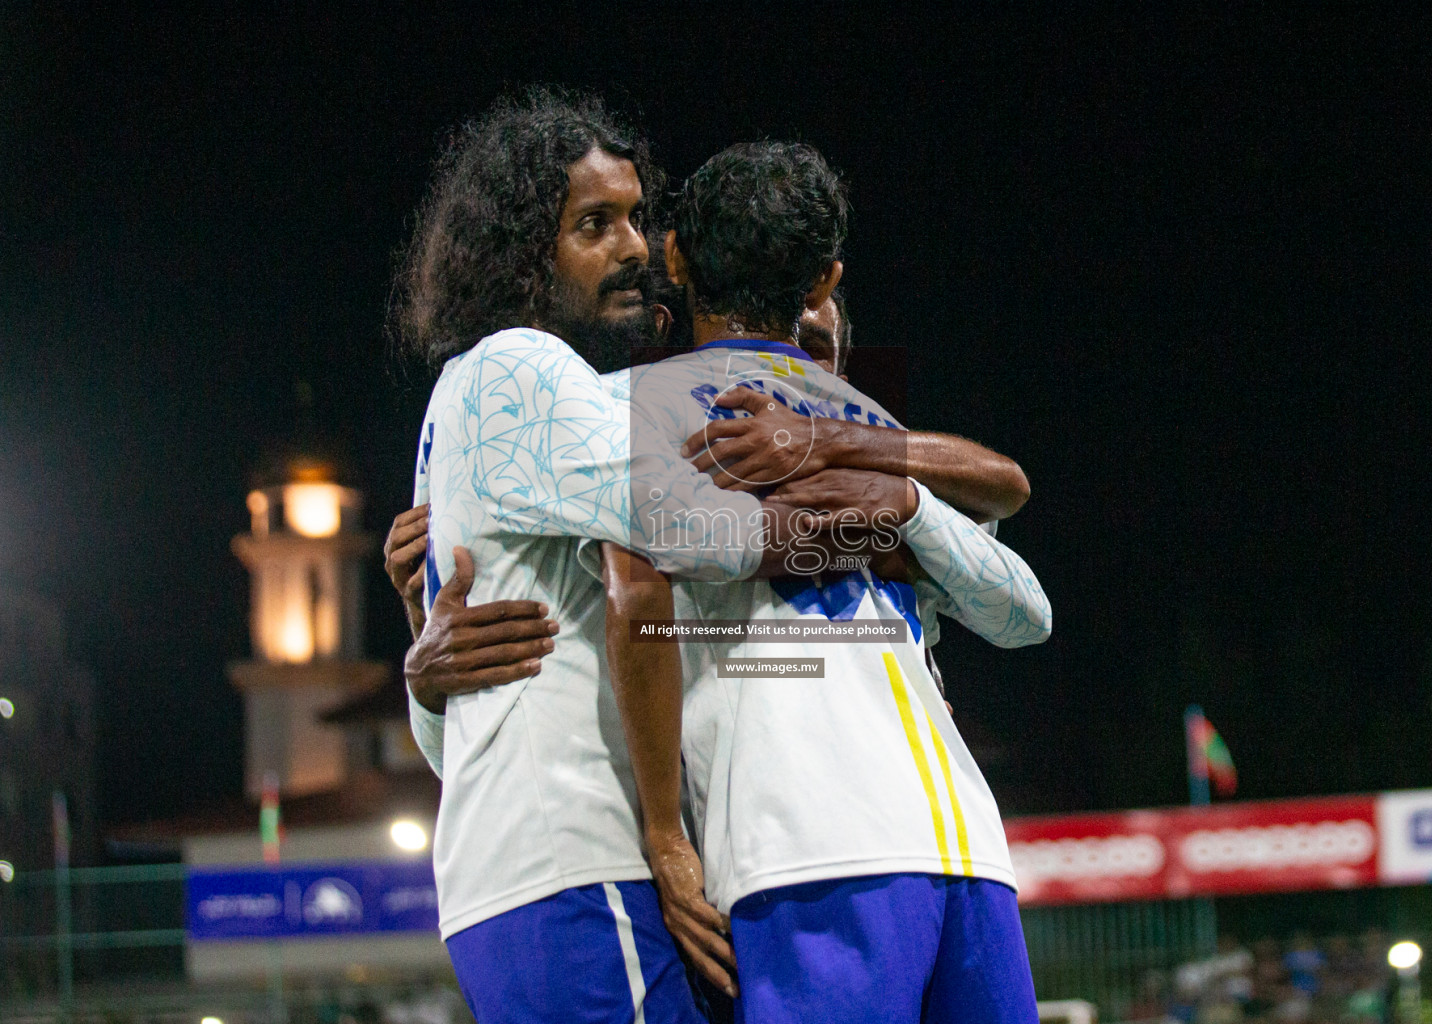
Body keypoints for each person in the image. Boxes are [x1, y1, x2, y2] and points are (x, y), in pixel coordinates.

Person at [393, 89, 919, 1024]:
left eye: (637, 217)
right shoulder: (524, 366)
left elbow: (445, 739)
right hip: (578, 860)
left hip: (519, 873)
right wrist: (893, 508)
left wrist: (423, 672)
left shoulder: (468, 396)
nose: (634, 246)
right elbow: (693, 526)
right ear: (521, 255)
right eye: (593, 225)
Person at [614, 140, 1049, 1024]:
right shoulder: (881, 425)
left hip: (807, 850)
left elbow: (624, 608)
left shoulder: (627, 407)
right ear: (824, 282)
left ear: (674, 258)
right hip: (963, 847)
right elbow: (1020, 616)